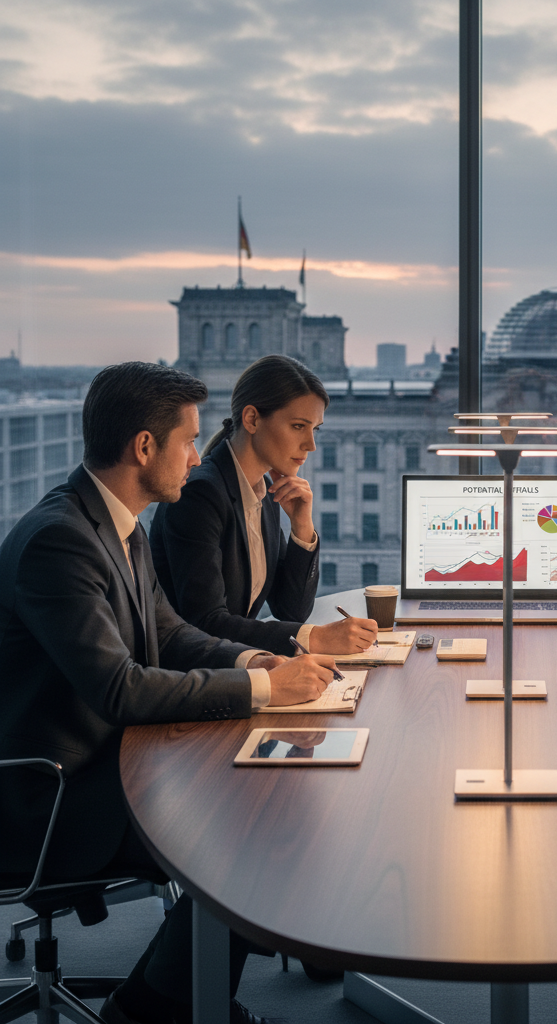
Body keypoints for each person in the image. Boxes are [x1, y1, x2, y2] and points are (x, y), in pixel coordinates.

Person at [0, 361, 339, 1024]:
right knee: (251, 823)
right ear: (145, 447)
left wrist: (259, 659)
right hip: (48, 794)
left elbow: (172, 633)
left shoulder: (115, 525)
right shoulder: (60, 543)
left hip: (106, 759)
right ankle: (155, 1006)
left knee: (270, 793)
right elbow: (120, 689)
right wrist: (262, 686)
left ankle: (175, 993)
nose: (198, 454)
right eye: (187, 441)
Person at [150, 354, 376, 656]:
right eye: (298, 426)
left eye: (315, 429)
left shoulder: (264, 491)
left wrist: (302, 529)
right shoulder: (201, 493)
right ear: (252, 419)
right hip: (193, 680)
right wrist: (317, 638)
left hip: (236, 669)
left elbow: (291, 609)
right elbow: (205, 623)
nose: (311, 444)